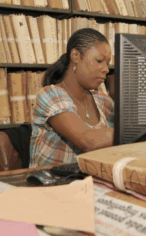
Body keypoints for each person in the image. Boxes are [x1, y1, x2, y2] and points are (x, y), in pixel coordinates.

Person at [31, 28, 114, 167]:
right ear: (75, 56)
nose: (106, 69)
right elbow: (88, 141)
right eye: (99, 61)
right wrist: (136, 131)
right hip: (53, 185)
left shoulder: (103, 101)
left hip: (92, 183)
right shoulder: (50, 94)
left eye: (107, 63)